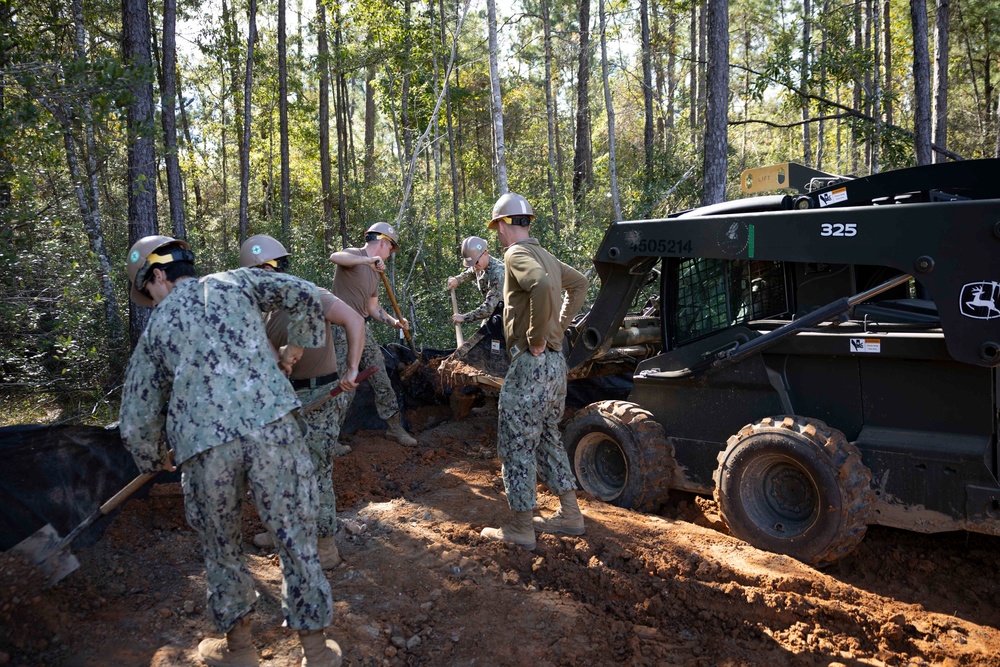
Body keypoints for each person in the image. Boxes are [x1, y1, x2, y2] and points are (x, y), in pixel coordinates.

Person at [119, 235, 342, 667]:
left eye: (149, 290)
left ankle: (240, 652)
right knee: (296, 539)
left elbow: (135, 418)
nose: (153, 298)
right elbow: (303, 292)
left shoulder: (157, 328)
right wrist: (294, 349)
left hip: (205, 449)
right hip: (274, 431)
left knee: (222, 549)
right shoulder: (236, 282)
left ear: (158, 275)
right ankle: (315, 651)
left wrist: (152, 458)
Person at [239, 234, 364, 569]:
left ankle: (325, 547)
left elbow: (355, 319)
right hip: (284, 400)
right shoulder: (261, 311)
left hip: (319, 395)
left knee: (316, 474)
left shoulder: (309, 295)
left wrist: (352, 368)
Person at [479, 194, 589, 550]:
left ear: (505, 224)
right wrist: (558, 326)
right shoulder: (546, 255)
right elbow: (581, 283)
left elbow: (540, 285)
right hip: (556, 364)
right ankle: (571, 515)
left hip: (533, 362)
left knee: (517, 444)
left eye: (497, 227)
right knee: (546, 437)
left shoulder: (516, 254)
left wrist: (537, 337)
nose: (497, 235)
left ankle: (521, 527)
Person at [328, 222, 417, 446]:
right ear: (383, 242)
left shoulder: (376, 273)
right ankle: (331, 438)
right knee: (344, 385)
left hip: (362, 328)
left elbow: (372, 308)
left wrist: (395, 322)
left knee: (381, 377)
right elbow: (335, 257)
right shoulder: (354, 255)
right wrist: (367, 260)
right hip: (340, 329)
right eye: (390, 248)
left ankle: (394, 428)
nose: (390, 253)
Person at [445, 236, 505, 338]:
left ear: (485, 254)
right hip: (491, 317)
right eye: (472, 264)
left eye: (476, 262)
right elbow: (472, 272)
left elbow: (489, 308)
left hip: (505, 320)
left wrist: (465, 317)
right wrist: (458, 279)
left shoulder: (498, 274)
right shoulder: (479, 266)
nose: (474, 266)